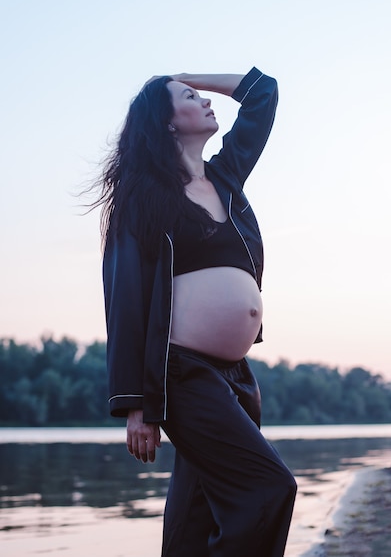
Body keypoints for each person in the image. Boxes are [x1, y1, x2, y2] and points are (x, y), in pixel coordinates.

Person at [99, 67, 297, 556]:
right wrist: (135, 405)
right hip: (181, 376)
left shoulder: (226, 177)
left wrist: (189, 78)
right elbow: (123, 299)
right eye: (190, 97)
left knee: (195, 516)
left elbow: (262, 94)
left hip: (236, 377)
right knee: (269, 489)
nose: (207, 102)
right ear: (167, 123)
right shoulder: (143, 197)